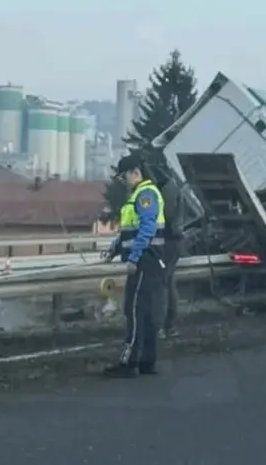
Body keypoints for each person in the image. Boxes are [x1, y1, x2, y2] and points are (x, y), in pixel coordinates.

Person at [101, 153, 167, 378]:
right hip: (148, 260)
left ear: (135, 173)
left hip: (144, 261)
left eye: (123, 176)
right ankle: (147, 362)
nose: (122, 181)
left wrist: (133, 258)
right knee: (146, 313)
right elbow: (129, 231)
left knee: (135, 311)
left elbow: (146, 230)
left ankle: (130, 362)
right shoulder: (141, 194)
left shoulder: (145, 194)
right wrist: (114, 249)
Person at [157, 175, 183, 338]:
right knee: (169, 282)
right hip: (174, 242)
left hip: (165, 243)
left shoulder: (161, 193)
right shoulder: (174, 189)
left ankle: (162, 325)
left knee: (161, 285)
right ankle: (170, 324)